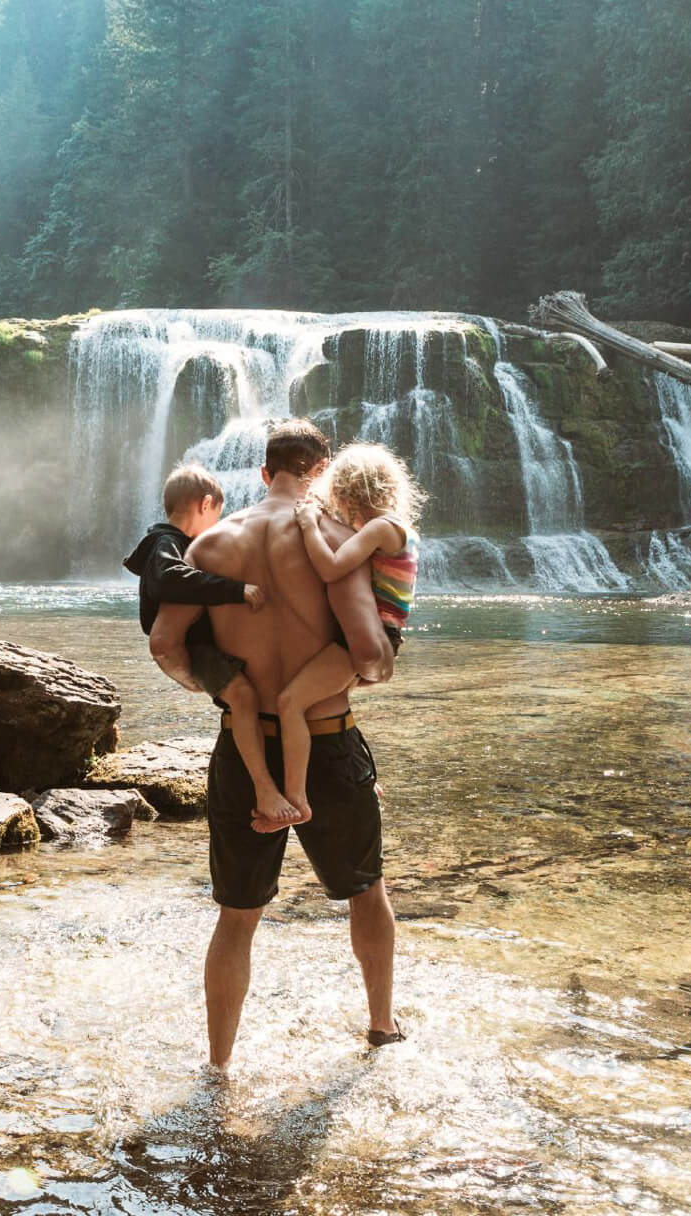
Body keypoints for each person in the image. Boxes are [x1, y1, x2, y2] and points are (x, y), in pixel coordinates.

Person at [148, 419, 404, 1069]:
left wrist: (223, 687)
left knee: (237, 916)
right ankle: (381, 1025)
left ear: (263, 474)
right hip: (329, 740)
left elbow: (164, 646)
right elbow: (370, 657)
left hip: (244, 749)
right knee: (366, 891)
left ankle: (219, 1066)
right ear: (322, 474)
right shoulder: (340, 540)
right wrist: (364, 669)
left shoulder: (210, 548)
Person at [123, 464, 298, 827]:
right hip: (198, 648)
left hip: (203, 645)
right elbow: (169, 580)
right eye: (218, 513)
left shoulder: (169, 542)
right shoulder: (165, 544)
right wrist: (235, 589)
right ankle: (264, 788)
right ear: (205, 505)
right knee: (244, 698)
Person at [274, 443, 421, 826]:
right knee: (332, 704)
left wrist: (308, 523)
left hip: (370, 637)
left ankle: (296, 801)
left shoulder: (380, 528)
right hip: (382, 637)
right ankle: (362, 782)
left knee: (290, 703)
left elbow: (332, 566)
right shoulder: (398, 528)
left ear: (348, 490)